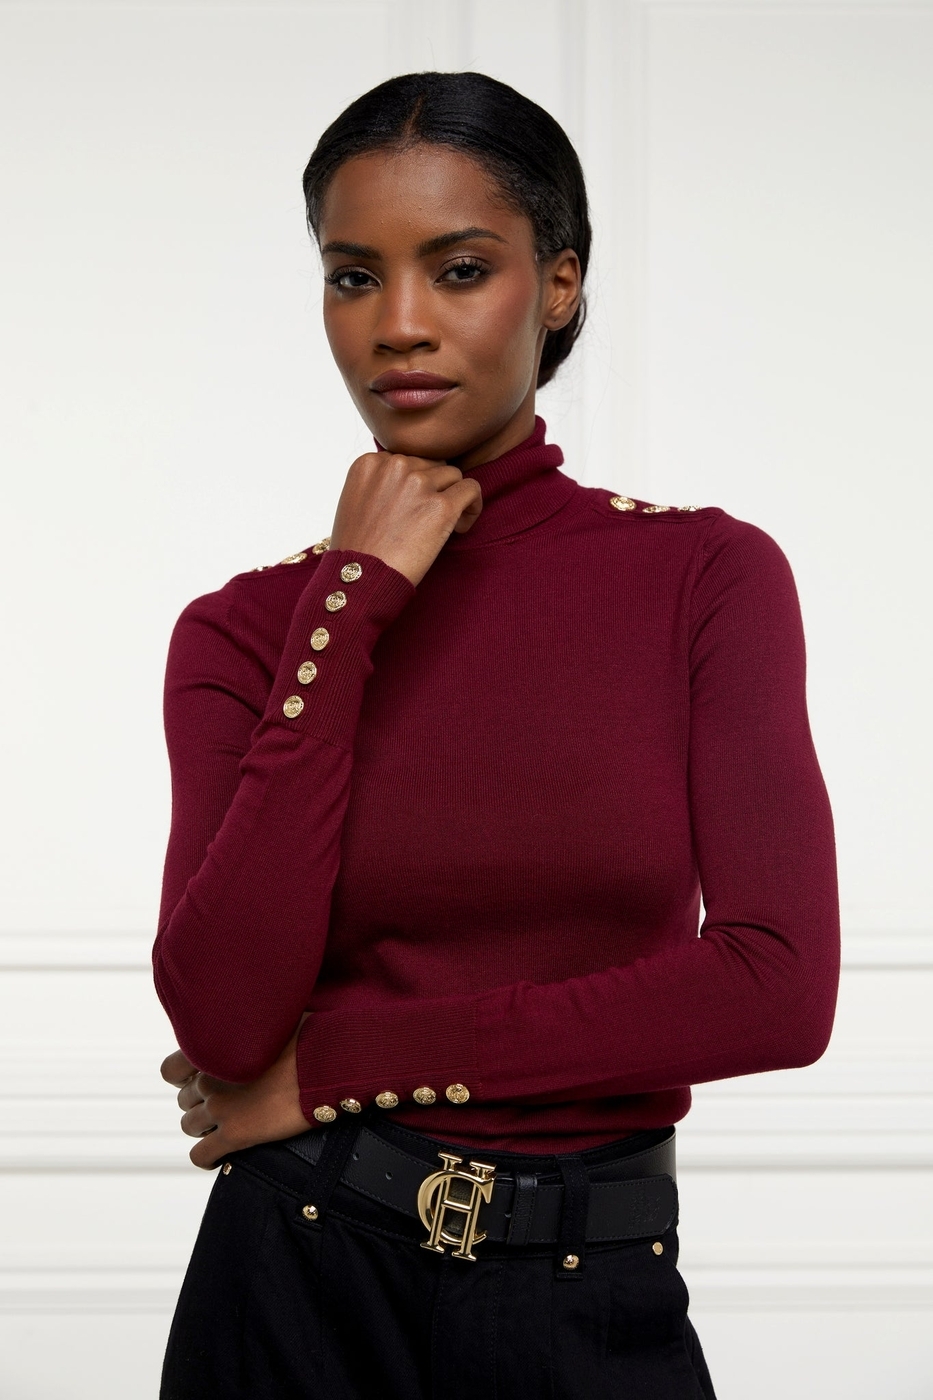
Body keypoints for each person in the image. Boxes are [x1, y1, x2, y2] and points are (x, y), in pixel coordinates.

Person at [154, 70, 840, 1399]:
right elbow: (225, 1021)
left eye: (460, 269)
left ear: (560, 284)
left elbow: (776, 985)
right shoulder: (247, 630)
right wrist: (350, 604)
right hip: (290, 1284)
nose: (400, 325)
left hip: (591, 1296)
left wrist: (344, 1065)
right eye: (354, 277)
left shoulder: (704, 576)